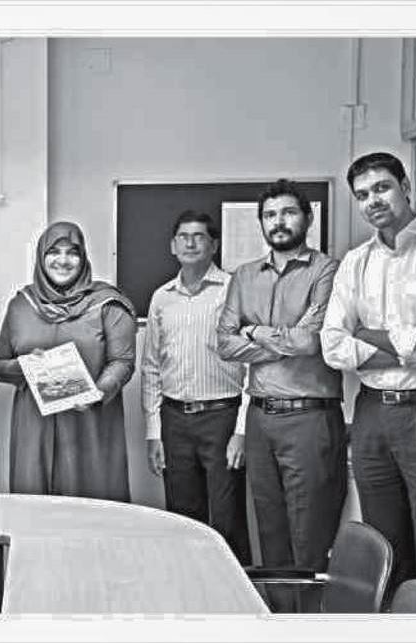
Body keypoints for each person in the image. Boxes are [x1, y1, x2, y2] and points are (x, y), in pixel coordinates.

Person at [321, 151, 416, 608]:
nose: (373, 200)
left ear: (406, 187)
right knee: (383, 545)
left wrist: (367, 336)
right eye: (362, 195)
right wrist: (402, 347)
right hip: (372, 413)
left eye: (382, 187)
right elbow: (333, 346)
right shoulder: (356, 262)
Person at [216, 179, 346, 612]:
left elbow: (311, 341)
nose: (279, 222)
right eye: (270, 215)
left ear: (307, 218)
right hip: (260, 418)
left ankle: (310, 624)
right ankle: (278, 622)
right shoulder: (244, 276)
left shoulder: (328, 270)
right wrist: (281, 339)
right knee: (269, 532)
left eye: (288, 212)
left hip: (310, 417)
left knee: (310, 535)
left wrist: (253, 331)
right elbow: (225, 343)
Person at [0, 221, 136, 502]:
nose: (63, 260)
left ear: (83, 258)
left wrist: (99, 392)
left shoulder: (108, 304)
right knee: (33, 507)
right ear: (41, 256)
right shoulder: (21, 305)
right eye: (54, 252)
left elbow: (122, 361)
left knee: (91, 508)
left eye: (72, 252)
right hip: (33, 427)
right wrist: (24, 366)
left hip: (89, 426)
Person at [142, 211, 251, 563]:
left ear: (213, 244)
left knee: (227, 517)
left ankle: (233, 591)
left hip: (222, 417)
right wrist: (154, 432)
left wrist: (241, 431)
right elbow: (151, 366)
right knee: (182, 518)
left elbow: (252, 364)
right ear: (173, 246)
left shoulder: (235, 290)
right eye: (183, 237)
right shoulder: (161, 298)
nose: (190, 243)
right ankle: (189, 587)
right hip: (175, 420)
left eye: (199, 236)